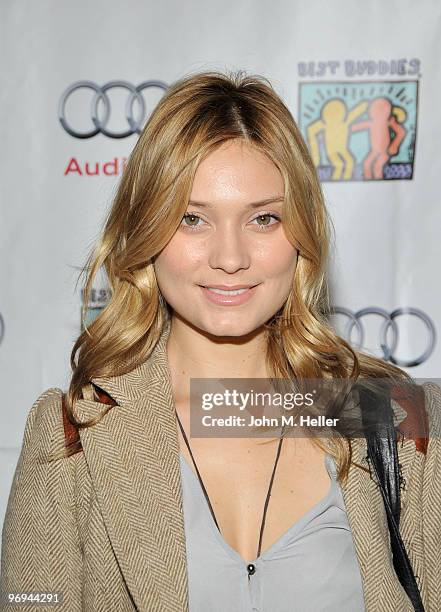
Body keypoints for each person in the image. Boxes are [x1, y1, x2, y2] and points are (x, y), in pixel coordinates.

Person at [1, 70, 440, 612]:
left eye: (262, 218)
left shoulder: (398, 424)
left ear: (301, 231)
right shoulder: (75, 436)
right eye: (191, 219)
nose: (229, 258)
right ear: (146, 231)